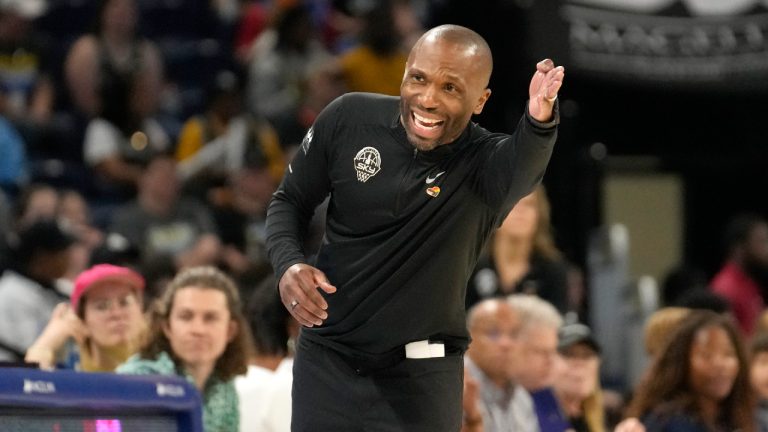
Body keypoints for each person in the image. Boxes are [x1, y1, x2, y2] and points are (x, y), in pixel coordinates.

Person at [265, 23, 563, 431]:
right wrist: (288, 265)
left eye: (451, 88)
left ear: (481, 101)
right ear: (404, 72)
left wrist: (539, 117)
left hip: (423, 377)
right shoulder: (349, 118)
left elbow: (526, 165)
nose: (428, 99)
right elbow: (289, 200)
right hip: (327, 360)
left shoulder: (485, 167)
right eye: (418, 79)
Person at [117, 266, 250, 432]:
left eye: (210, 318)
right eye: (186, 317)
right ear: (167, 326)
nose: (198, 329)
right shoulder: (135, 382)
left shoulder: (225, 390)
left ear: (230, 331)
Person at [625, 310, 755, 432]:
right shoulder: (668, 421)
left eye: (728, 354)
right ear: (681, 362)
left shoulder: (737, 416)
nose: (719, 364)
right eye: (706, 355)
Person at [466, 184, 573, 313]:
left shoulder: (553, 271)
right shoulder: (470, 269)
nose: (520, 211)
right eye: (512, 203)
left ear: (539, 214)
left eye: (529, 204)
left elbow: (558, 326)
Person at [25, 264, 146, 371]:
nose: (116, 313)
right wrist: (46, 344)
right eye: (102, 306)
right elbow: (31, 384)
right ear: (80, 321)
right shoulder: (70, 375)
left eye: (125, 302)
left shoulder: (160, 367)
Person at [0, 219, 74, 361]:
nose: (68, 257)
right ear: (41, 258)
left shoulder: (59, 286)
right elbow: (27, 355)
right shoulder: (10, 293)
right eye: (62, 252)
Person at [464, 298, 541, 432]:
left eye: (514, 334)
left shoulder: (522, 398)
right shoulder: (455, 389)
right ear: (468, 337)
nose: (506, 344)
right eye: (493, 333)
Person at [710, 213, 768, 336]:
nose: (766, 249)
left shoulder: (748, 282)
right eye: (762, 241)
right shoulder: (726, 288)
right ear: (739, 248)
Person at [551, 322, 606, 432]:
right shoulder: (533, 417)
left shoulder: (597, 418)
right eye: (569, 354)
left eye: (587, 355)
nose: (579, 363)